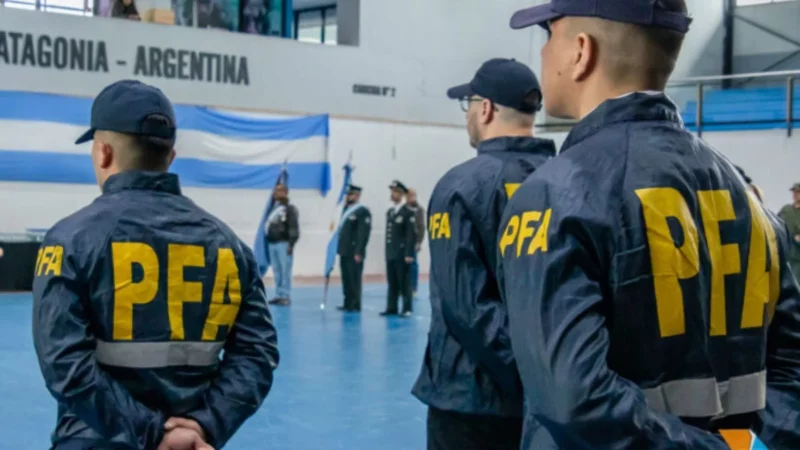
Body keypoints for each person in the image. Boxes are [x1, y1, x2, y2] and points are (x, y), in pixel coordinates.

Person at [500, 2, 800, 449]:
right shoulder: (745, 196)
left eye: (549, 35)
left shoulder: (554, 194)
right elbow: (790, 368)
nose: (543, 53)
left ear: (580, 51)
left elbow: (575, 402)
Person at [31, 80, 280, 450]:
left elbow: (63, 362)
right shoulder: (231, 246)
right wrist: (206, 423)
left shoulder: (70, 240)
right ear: (170, 157)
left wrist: (151, 432)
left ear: (102, 153)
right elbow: (257, 352)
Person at [412, 58, 555, 450]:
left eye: (469, 104)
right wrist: (552, 379)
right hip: (558, 398)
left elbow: (468, 308)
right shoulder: (569, 179)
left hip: (473, 398)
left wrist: (523, 374)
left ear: (486, 108)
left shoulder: (461, 187)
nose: (468, 115)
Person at [381, 180, 416, 317]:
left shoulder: (407, 213)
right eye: (392, 192)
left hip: (402, 254)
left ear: (401, 194)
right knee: (392, 282)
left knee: (404, 282)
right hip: (391, 253)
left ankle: (407, 308)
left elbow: (410, 235)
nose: (392, 194)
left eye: (395, 192)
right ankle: (392, 307)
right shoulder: (391, 212)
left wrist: (409, 253)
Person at [337, 184, 372, 312]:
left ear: (357, 195)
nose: (348, 196)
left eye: (351, 194)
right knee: (346, 278)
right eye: (348, 194)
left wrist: (359, 251)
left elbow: (363, 234)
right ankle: (347, 302)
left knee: (354, 279)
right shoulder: (345, 210)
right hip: (344, 250)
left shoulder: (363, 212)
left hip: (354, 251)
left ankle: (355, 303)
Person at [266, 183, 299, 307]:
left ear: (285, 192)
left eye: (279, 190)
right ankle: (278, 294)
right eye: (275, 190)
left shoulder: (289, 209)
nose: (276, 193)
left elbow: (293, 227)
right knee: (277, 271)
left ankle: (285, 296)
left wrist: (291, 243)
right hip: (272, 243)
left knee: (285, 271)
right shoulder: (272, 209)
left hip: (283, 243)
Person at [778, 183, 800, 282]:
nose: (795, 194)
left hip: (797, 259)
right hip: (785, 255)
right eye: (794, 192)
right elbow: (775, 223)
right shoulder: (786, 209)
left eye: (798, 192)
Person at [406, 188, 425, 296]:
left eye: (413, 196)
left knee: (413, 265)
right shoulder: (403, 208)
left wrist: (419, 242)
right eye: (409, 196)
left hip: (413, 241)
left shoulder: (419, 209)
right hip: (403, 241)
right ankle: (404, 287)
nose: (411, 198)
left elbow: (421, 227)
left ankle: (414, 288)